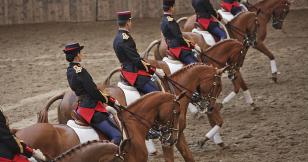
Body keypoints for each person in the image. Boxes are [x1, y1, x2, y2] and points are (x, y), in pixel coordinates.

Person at [63, 43, 122, 146]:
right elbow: (93, 91)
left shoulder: (69, 70)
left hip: (81, 106)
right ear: (77, 54)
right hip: (90, 108)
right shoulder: (80, 71)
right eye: (81, 52)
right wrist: (110, 101)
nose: (82, 54)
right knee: (117, 135)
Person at [113, 11, 165, 94]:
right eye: (130, 21)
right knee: (158, 94)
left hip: (126, 69)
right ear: (128, 22)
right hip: (133, 73)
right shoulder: (126, 39)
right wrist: (153, 70)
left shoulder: (116, 38)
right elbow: (136, 60)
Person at [161, 0, 200, 65]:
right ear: (171, 8)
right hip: (177, 49)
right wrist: (192, 46)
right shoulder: (171, 20)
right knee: (196, 65)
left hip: (170, 46)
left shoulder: (163, 20)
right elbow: (179, 38)